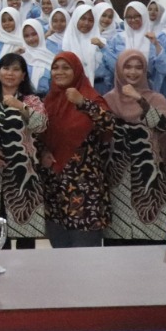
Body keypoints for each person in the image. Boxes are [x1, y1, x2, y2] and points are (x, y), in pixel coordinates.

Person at [39, 52, 113, 248]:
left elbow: (109, 126)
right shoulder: (49, 101)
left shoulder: (90, 97)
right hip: (55, 188)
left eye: (66, 68)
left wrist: (82, 103)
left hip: (85, 189)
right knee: (60, 252)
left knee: (85, 254)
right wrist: (42, 152)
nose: (59, 72)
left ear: (77, 71)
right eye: (55, 68)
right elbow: (40, 134)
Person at [102, 49, 166, 245]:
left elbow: (163, 125)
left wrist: (140, 100)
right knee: (118, 246)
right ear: (119, 69)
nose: (133, 72)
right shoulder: (108, 100)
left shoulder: (156, 99)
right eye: (127, 67)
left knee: (152, 244)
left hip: (150, 182)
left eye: (138, 67)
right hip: (118, 184)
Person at [0, 53, 46, 250]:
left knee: (26, 234)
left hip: (24, 175)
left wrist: (21, 107)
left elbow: (41, 125)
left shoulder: (32, 101)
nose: (10, 73)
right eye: (6, 68)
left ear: (24, 75)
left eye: (16, 69)